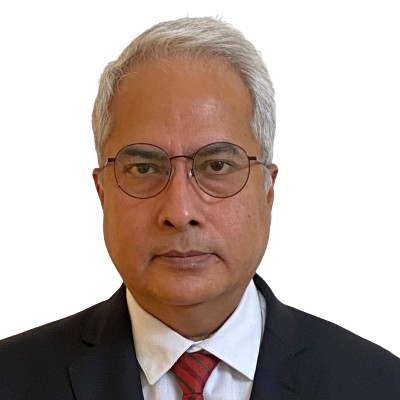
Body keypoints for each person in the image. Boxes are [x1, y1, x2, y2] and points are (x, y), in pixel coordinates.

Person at [0, 16, 399, 400]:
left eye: (217, 165)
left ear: (268, 190)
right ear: (102, 192)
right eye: (144, 168)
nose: (179, 211)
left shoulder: (379, 383)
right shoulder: (10, 377)